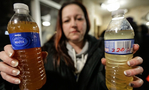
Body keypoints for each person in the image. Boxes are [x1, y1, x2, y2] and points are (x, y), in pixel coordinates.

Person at [0, 1, 144, 90]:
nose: (74, 24)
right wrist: (12, 80)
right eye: (67, 20)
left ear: (87, 22)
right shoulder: (44, 53)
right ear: (61, 26)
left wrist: (130, 78)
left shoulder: (107, 49)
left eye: (79, 18)